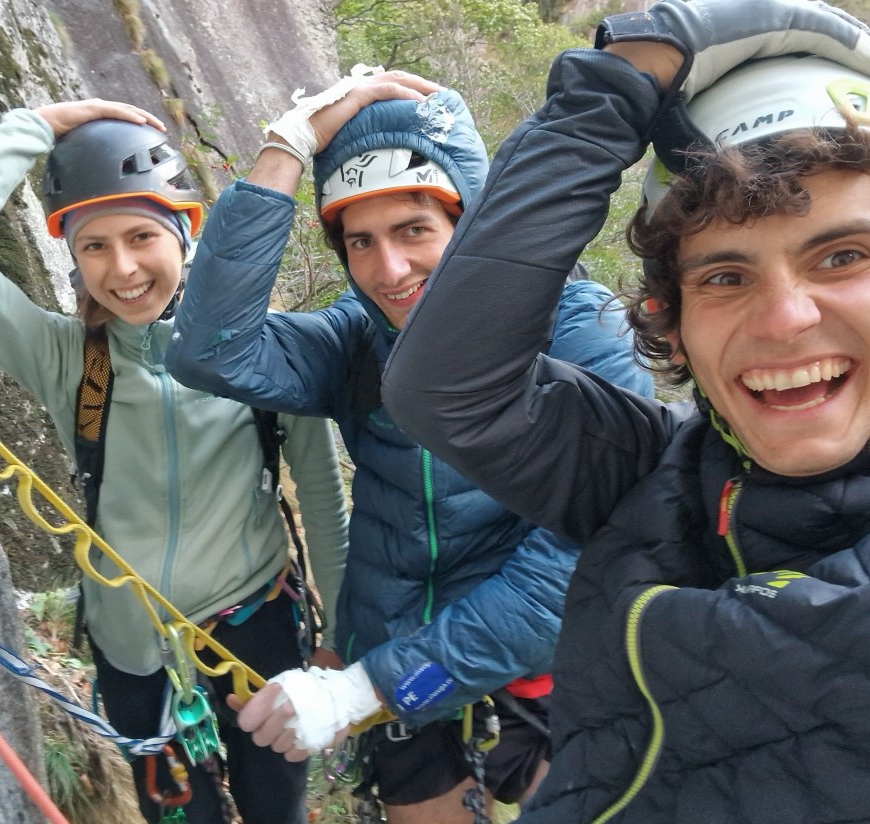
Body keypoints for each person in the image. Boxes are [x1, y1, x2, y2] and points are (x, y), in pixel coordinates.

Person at [380, 0, 870, 822]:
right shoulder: (653, 473)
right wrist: (612, 88)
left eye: (842, 256)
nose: (785, 319)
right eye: (725, 276)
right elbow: (444, 387)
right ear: (672, 323)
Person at [164, 70, 654, 822]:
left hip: (542, 671)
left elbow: (583, 561)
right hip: (396, 675)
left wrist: (369, 686)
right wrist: (288, 146)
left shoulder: (575, 332)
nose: (388, 270)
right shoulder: (358, 339)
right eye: (360, 241)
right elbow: (209, 351)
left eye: (414, 230)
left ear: (472, 221)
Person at [0, 99, 350, 824]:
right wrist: (37, 126)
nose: (123, 268)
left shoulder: (260, 349)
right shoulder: (69, 359)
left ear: (185, 233)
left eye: (142, 236)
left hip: (252, 629)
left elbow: (323, 503)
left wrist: (339, 647)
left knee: (276, 810)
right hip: (134, 654)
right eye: (94, 247)